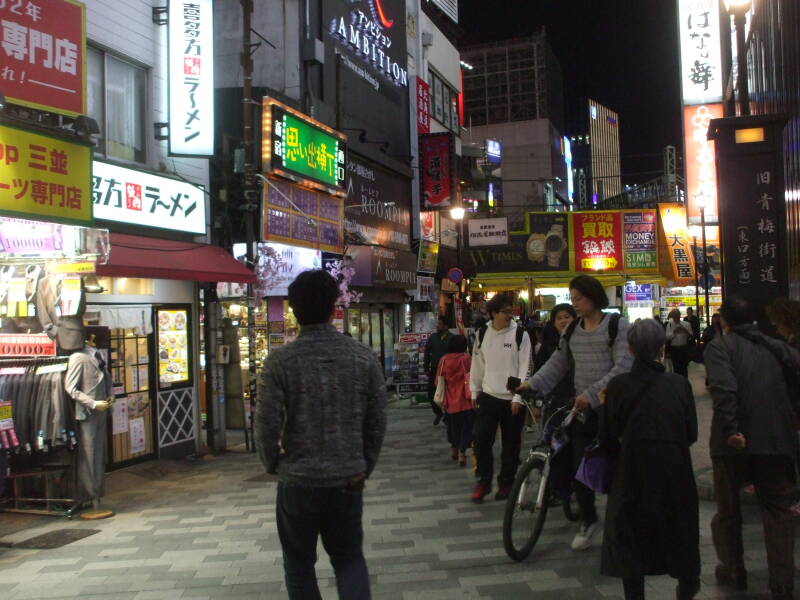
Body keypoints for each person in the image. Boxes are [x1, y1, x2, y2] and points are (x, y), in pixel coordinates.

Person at [255, 269, 387, 600]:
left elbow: (266, 421)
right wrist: (363, 464)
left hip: (298, 481)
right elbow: (377, 421)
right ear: (334, 308)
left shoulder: (279, 361)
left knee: (299, 565)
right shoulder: (363, 357)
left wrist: (272, 462)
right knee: (349, 560)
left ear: (293, 310)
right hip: (347, 479)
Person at [518, 275, 633, 551]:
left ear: (594, 296)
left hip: (614, 413)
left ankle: (624, 524)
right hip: (582, 413)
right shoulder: (571, 331)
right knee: (578, 465)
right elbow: (557, 364)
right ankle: (589, 518)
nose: (575, 304)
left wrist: (590, 395)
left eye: (579, 298)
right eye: (572, 299)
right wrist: (531, 384)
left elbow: (623, 368)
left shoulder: (617, 326)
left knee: (620, 471)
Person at [704, 295, 800, 600]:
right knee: (778, 511)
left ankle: (734, 568)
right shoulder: (773, 345)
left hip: (733, 444)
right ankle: (782, 583)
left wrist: (732, 429)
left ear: (723, 320)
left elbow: (724, 387)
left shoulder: (720, 346)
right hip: (776, 440)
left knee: (729, 510)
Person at [598, 319, 700, 600]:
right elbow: (691, 433)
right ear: (662, 349)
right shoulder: (679, 384)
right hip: (675, 472)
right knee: (680, 535)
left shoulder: (618, 386)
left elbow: (606, 435)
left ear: (629, 349)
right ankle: (687, 586)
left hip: (631, 474)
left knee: (632, 543)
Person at [469, 293, 532, 502]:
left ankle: (506, 482)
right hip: (488, 396)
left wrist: (518, 398)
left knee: (511, 445)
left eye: (511, 311)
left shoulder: (521, 334)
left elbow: (526, 367)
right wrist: (474, 392)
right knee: (481, 441)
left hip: (513, 400)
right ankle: (484, 481)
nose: (509, 315)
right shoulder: (482, 334)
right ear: (494, 313)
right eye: (505, 311)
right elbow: (477, 365)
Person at [437, 335, 473, 466]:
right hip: (466, 401)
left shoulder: (444, 360)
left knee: (453, 428)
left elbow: (438, 380)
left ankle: (454, 449)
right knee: (466, 428)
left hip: (450, 402)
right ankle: (462, 454)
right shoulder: (466, 358)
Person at [424, 315, 453, 426]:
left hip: (448, 371)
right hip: (434, 370)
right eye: (438, 324)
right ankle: (438, 413)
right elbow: (427, 352)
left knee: (448, 394)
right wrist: (426, 367)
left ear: (446, 326)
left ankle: (448, 415)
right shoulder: (433, 337)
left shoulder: (452, 338)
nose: (438, 326)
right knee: (431, 394)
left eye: (440, 324)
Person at [665, 309, 692, 378]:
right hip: (674, 349)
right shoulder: (669, 325)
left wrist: (684, 330)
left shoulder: (686, 324)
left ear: (680, 315)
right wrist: (674, 332)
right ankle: (678, 382)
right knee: (676, 367)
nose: (676, 317)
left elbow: (690, 336)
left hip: (684, 348)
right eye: (674, 316)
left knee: (684, 367)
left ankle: (685, 382)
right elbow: (667, 337)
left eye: (677, 315)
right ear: (672, 316)